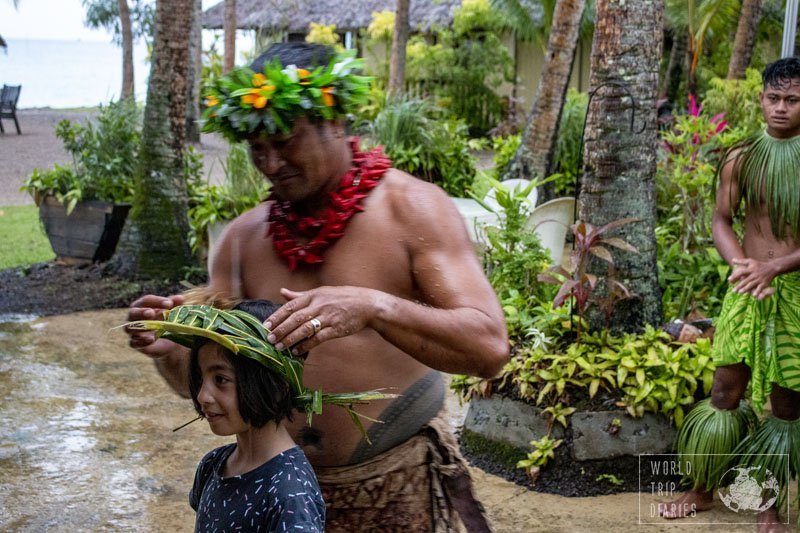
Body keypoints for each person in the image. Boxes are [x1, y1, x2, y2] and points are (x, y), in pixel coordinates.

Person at [126, 42, 509, 531]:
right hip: (274, 494)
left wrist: (375, 307)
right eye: (257, 148)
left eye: (284, 141)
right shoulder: (242, 240)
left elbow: (490, 347)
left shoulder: (412, 210)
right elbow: (206, 383)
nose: (269, 162)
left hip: (394, 483)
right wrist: (169, 350)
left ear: (335, 119)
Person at [661, 57, 800, 532]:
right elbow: (722, 219)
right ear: (761, 98)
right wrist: (741, 262)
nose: (781, 108)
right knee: (725, 390)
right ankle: (700, 489)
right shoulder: (741, 156)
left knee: (785, 407)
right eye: (773, 98)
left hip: (795, 291)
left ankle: (767, 506)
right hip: (746, 287)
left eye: (793, 100)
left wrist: (777, 266)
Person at [186, 299, 324, 531]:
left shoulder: (291, 493)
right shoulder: (212, 465)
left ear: (275, 385)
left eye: (221, 380)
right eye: (201, 379)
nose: (202, 396)